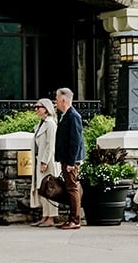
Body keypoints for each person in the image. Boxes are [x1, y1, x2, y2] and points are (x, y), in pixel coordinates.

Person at [53, 87, 86, 230]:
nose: (55, 102)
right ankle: (72, 218)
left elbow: (75, 141)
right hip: (66, 158)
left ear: (63, 100)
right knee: (70, 187)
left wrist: (71, 162)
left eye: (56, 99)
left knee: (72, 188)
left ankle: (75, 219)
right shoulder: (66, 115)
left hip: (71, 160)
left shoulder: (73, 116)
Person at [30, 98, 62, 227]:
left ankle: (51, 217)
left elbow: (51, 144)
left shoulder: (51, 124)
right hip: (39, 159)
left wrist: (44, 161)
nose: (36, 109)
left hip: (48, 161)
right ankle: (45, 216)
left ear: (46, 108)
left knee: (50, 189)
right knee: (42, 188)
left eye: (39, 107)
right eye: (36, 107)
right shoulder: (41, 124)